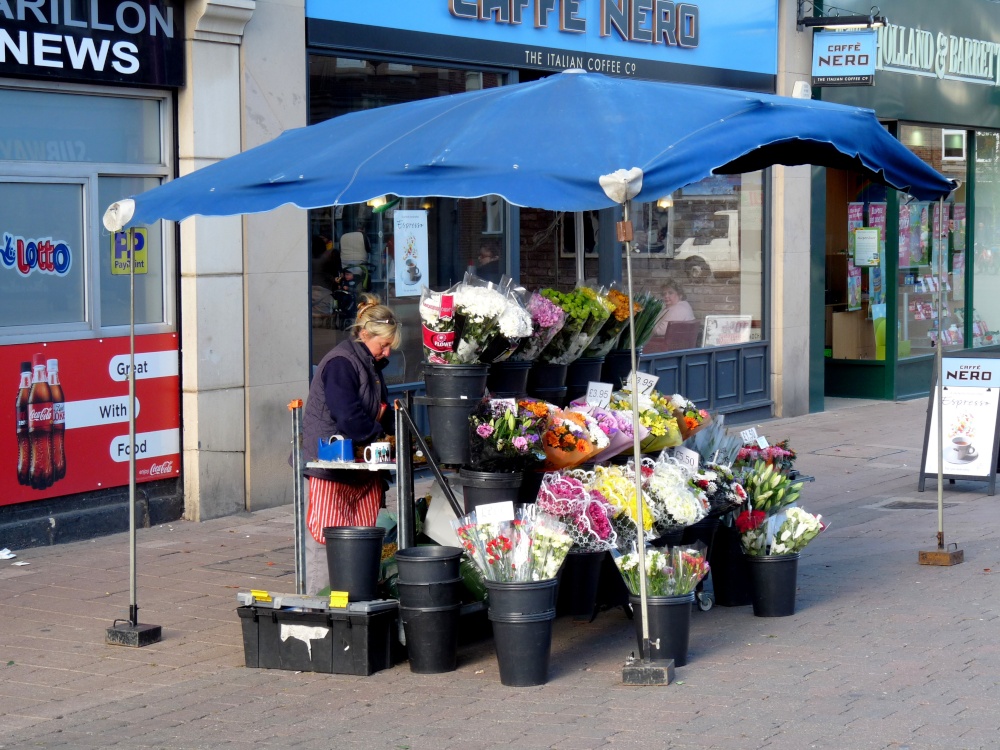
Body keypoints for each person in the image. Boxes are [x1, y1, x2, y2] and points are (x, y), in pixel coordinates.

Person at [301, 294, 401, 594]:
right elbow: (348, 416)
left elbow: (377, 413)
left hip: (359, 472)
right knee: (325, 542)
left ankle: (355, 606)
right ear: (364, 334)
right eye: (382, 345)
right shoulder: (341, 363)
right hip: (329, 469)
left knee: (360, 541)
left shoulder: (370, 366)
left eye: (389, 347)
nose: (386, 353)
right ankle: (322, 609)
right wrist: (381, 438)